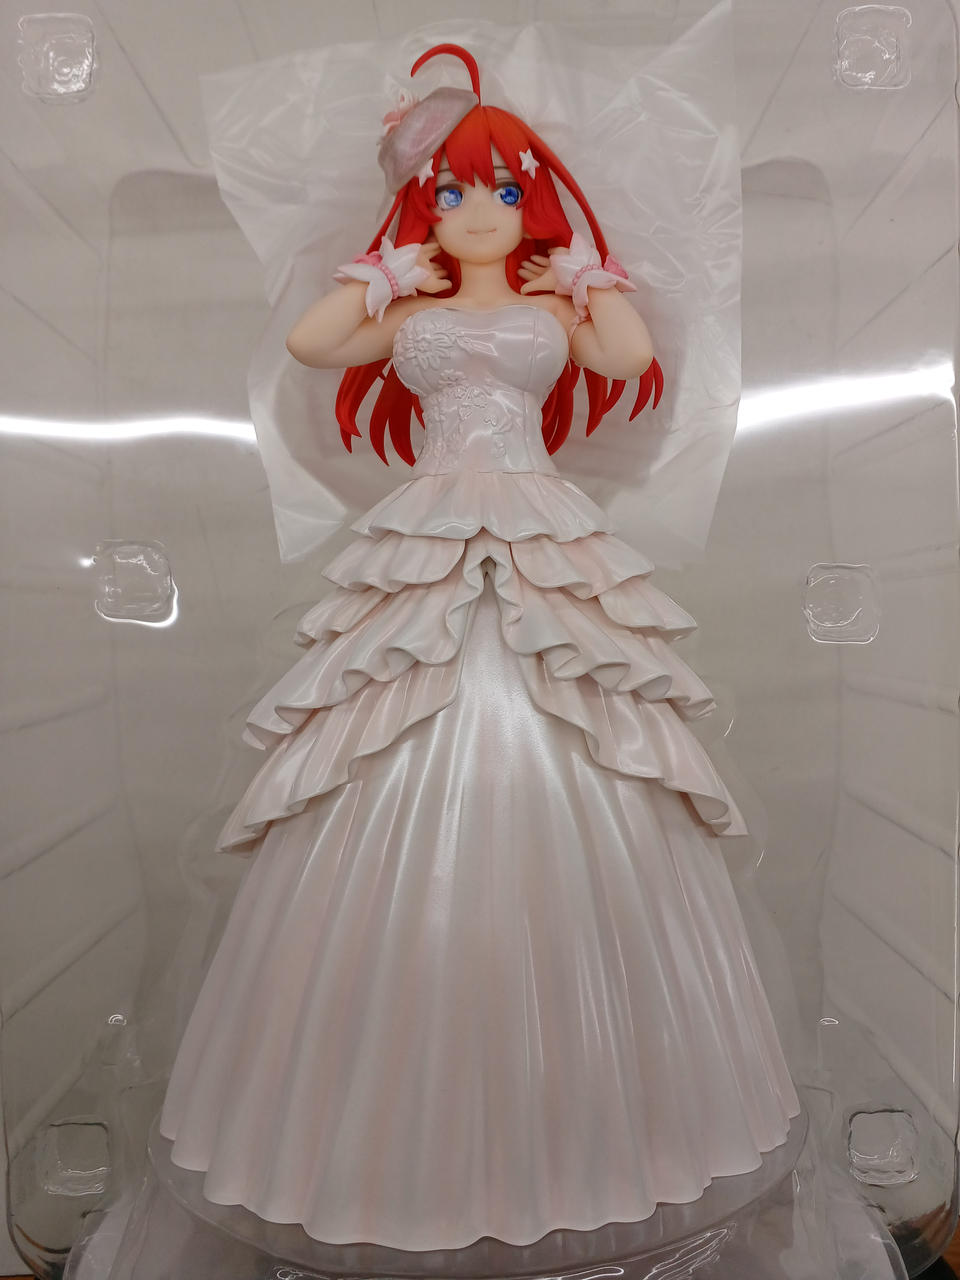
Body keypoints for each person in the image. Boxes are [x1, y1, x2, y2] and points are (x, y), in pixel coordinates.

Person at [158, 42, 801, 1253]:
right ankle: (371, 1135)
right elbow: (313, 344)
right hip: (431, 526)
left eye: (503, 187)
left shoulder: (559, 303)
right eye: (449, 188)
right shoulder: (407, 305)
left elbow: (626, 357)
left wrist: (592, 276)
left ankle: (616, 1109)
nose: (478, 210)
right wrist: (377, 270)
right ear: (420, 202)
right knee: (388, 718)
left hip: (540, 520)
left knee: (586, 721)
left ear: (535, 199)